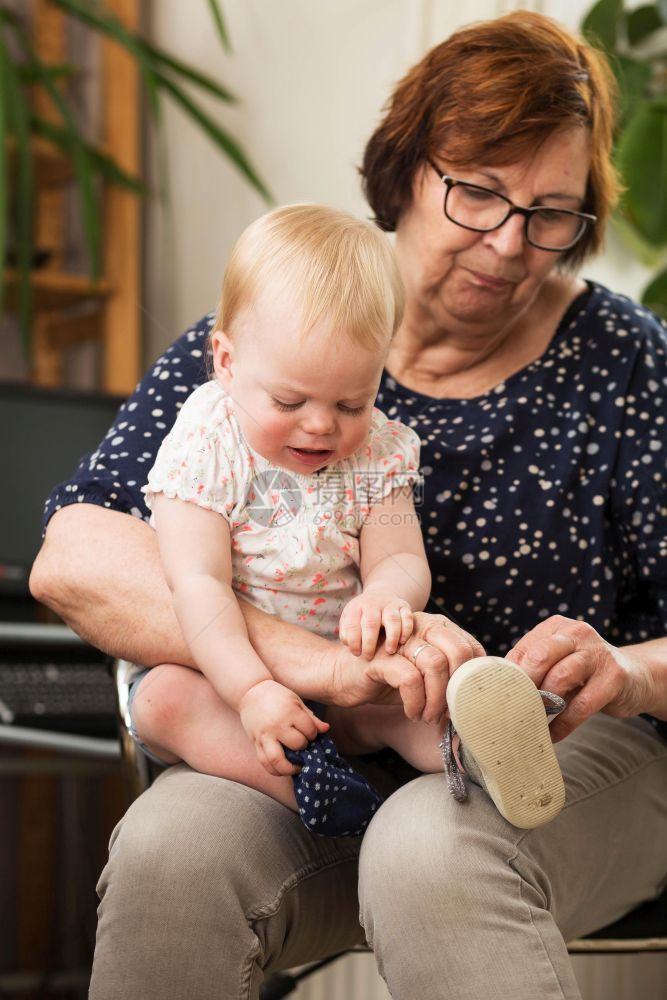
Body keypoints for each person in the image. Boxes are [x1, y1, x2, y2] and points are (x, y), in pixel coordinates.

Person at [30, 10, 667, 1000]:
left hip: (571, 753)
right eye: (478, 193)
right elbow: (73, 557)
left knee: (434, 848)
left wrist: (619, 670)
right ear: (408, 167)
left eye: (552, 212)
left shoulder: (624, 364)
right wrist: (326, 666)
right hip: (314, 739)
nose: (510, 244)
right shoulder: (268, 337)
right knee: (171, 851)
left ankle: (459, 734)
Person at [131, 202, 437, 837]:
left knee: (407, 693)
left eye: (353, 401)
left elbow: (402, 556)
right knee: (162, 701)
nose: (322, 424)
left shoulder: (376, 451)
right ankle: (309, 784)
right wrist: (250, 691)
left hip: (340, 672)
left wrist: (385, 596)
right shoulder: (207, 442)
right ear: (226, 362)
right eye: (289, 400)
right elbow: (199, 587)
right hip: (220, 671)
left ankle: (477, 755)